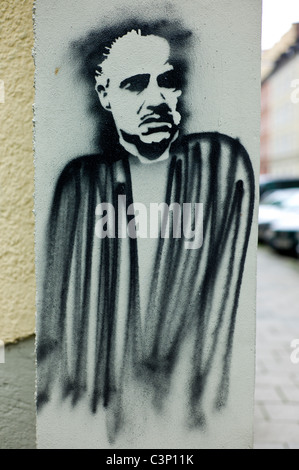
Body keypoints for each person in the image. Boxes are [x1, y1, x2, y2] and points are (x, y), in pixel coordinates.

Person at [37, 19, 255, 443]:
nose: (156, 99)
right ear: (105, 96)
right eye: (135, 84)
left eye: (167, 82)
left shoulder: (219, 168)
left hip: (187, 416)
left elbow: (218, 310)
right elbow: (63, 321)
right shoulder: (80, 184)